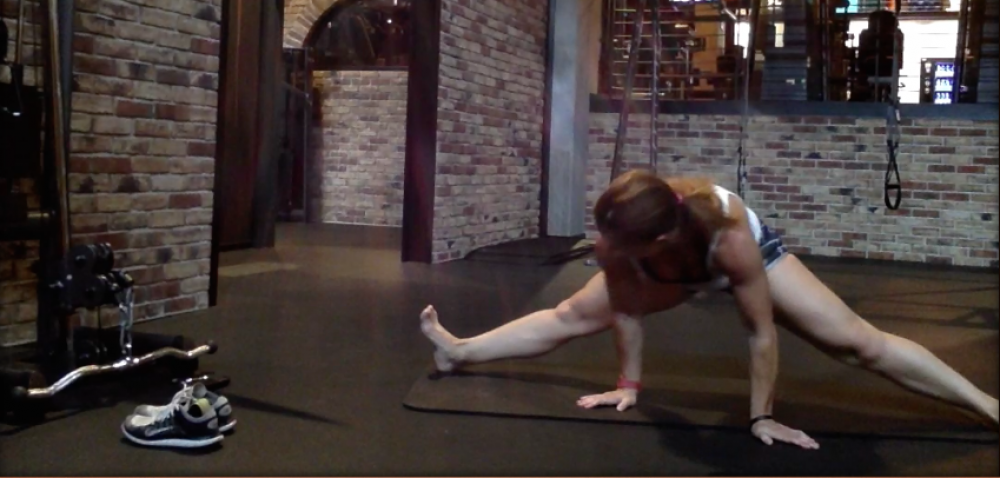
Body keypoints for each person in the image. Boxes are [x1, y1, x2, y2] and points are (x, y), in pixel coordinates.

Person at [418, 169, 1000, 449]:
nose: (600, 250)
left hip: (741, 259)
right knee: (573, 313)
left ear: (657, 241)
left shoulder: (732, 239)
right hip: (674, 266)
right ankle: (459, 351)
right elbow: (626, 311)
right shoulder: (619, 237)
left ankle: (987, 406)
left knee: (858, 344)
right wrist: (628, 384)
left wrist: (760, 417)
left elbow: (760, 331)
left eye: (615, 245)